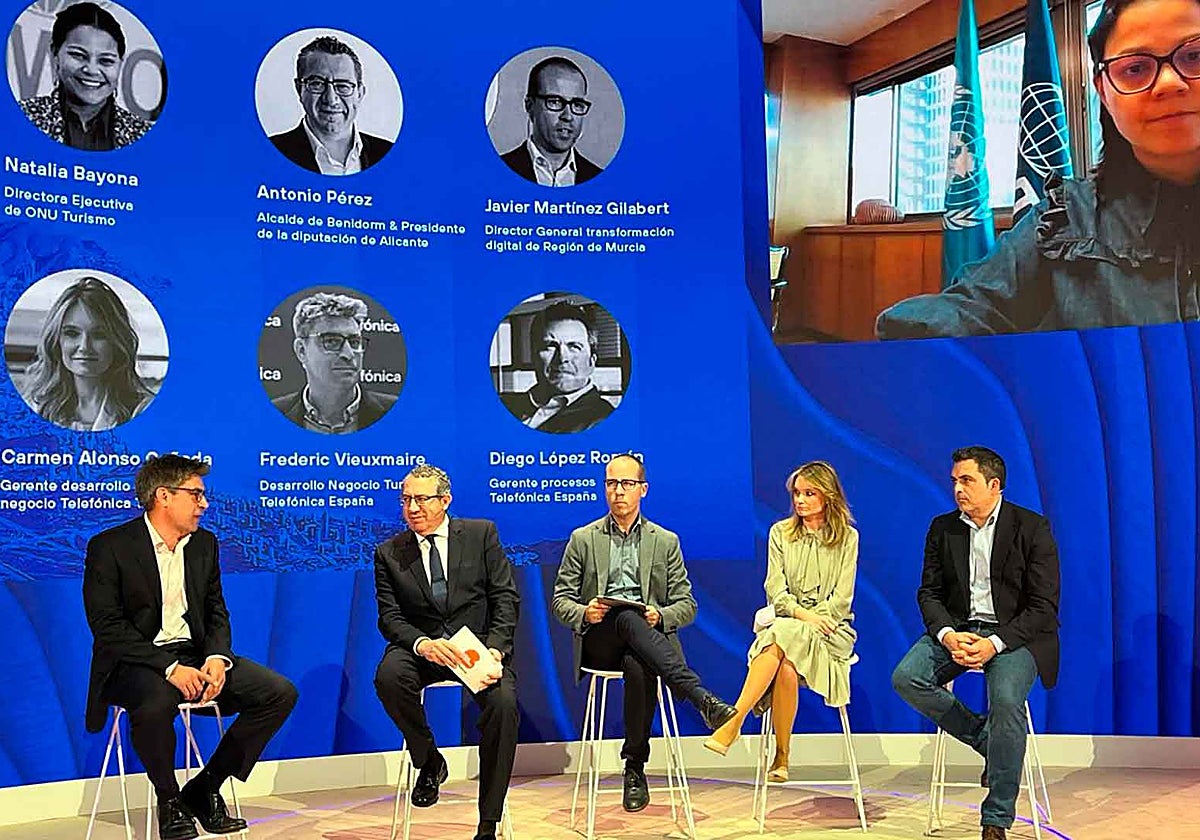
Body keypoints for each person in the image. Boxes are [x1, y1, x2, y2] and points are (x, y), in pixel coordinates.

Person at [877, 0, 1200, 339]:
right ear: (1104, 92)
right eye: (1134, 68)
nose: (1169, 83)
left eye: (1194, 56)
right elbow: (969, 308)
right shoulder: (1063, 218)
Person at [83, 455, 298, 840]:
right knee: (155, 702)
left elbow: (216, 611)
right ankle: (169, 802)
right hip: (134, 661)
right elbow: (108, 627)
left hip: (193, 654)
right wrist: (169, 668)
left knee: (277, 692)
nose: (205, 504)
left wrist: (217, 658)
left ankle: (204, 787)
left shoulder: (203, 544)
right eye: (196, 495)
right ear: (163, 496)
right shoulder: (110, 547)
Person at [891, 447, 1060, 840]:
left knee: (1006, 701)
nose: (957, 489)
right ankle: (989, 741)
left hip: (1015, 635)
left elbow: (1043, 607)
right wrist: (948, 635)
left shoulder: (1031, 527)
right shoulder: (943, 528)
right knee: (907, 678)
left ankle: (996, 818)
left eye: (966, 480)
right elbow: (929, 593)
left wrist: (994, 644)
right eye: (954, 481)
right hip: (960, 629)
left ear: (994, 485)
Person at [551, 454, 736, 812]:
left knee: (638, 661)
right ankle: (700, 697)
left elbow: (687, 604)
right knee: (624, 617)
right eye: (611, 483)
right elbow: (561, 601)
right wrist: (585, 612)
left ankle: (634, 767)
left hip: (646, 642)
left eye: (626, 484)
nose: (618, 491)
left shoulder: (665, 541)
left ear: (643, 489)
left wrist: (659, 615)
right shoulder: (583, 538)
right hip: (600, 639)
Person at [373, 465, 520, 840]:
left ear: (445, 500)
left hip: (477, 649)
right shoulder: (389, 553)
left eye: (422, 499)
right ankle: (429, 760)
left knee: (503, 705)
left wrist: (495, 650)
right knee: (389, 677)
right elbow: (389, 617)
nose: (412, 508)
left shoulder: (480, 534)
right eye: (406, 499)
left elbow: (504, 597)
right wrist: (423, 644)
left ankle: (488, 823)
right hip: (424, 648)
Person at [702, 462, 858, 785]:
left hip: (831, 630)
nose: (800, 500)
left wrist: (815, 619)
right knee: (785, 662)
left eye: (809, 493)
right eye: (797, 493)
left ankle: (734, 720)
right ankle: (782, 755)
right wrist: (804, 616)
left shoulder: (848, 538)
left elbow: (842, 600)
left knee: (781, 637)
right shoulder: (780, 533)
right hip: (790, 623)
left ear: (828, 496)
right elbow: (775, 591)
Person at [18, 276, 155, 431]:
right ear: (56, 341)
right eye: (71, 333)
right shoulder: (33, 407)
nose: (84, 347)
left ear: (117, 342)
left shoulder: (144, 410)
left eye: (99, 335)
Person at [19, 2, 153, 150]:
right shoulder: (19, 118)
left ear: (120, 64)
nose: (92, 70)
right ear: (55, 53)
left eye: (106, 60)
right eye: (78, 55)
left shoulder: (144, 134)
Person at [270, 291, 396, 433]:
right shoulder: (270, 415)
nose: (349, 354)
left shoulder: (397, 413)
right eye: (331, 341)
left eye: (354, 342)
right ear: (302, 351)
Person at [269, 35, 394, 175]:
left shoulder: (389, 154)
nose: (331, 99)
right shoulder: (269, 152)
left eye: (343, 86)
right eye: (317, 84)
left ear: (360, 93)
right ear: (299, 89)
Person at [499, 300, 615, 433]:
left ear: (591, 362)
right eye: (550, 346)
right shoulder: (506, 404)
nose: (562, 358)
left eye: (574, 347)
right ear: (533, 356)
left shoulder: (604, 419)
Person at [500, 56, 604, 186]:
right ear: (530, 106)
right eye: (555, 102)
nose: (568, 116)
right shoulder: (499, 170)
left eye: (577, 104)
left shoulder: (600, 178)